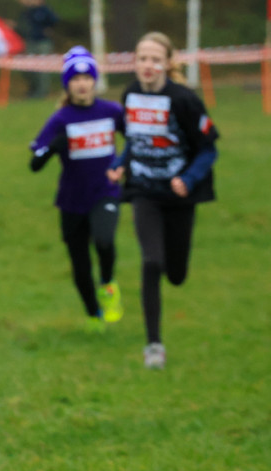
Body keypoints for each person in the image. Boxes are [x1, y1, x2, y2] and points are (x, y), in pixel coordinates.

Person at [107, 32, 218, 370]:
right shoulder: (130, 94)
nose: (148, 66)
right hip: (144, 191)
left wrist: (188, 178)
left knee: (176, 274)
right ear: (135, 62)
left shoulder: (184, 100)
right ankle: (153, 345)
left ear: (168, 63)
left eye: (155, 60)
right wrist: (120, 163)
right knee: (151, 262)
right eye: (142, 59)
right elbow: (134, 141)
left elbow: (209, 148)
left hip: (179, 194)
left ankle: (174, 267)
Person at [29, 46, 124, 331]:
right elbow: (35, 163)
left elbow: (136, 139)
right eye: (75, 79)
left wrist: (123, 164)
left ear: (95, 80)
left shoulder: (111, 111)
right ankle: (93, 313)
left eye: (86, 77)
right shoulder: (60, 119)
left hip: (105, 191)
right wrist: (53, 148)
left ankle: (108, 286)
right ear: (67, 84)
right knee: (80, 265)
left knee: (105, 240)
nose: (81, 84)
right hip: (71, 200)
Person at [17, 0, 58, 98]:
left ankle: (42, 93)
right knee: (29, 68)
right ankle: (33, 91)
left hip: (42, 42)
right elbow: (24, 27)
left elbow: (55, 20)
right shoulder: (28, 12)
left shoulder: (45, 10)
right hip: (30, 42)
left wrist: (48, 29)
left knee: (42, 69)